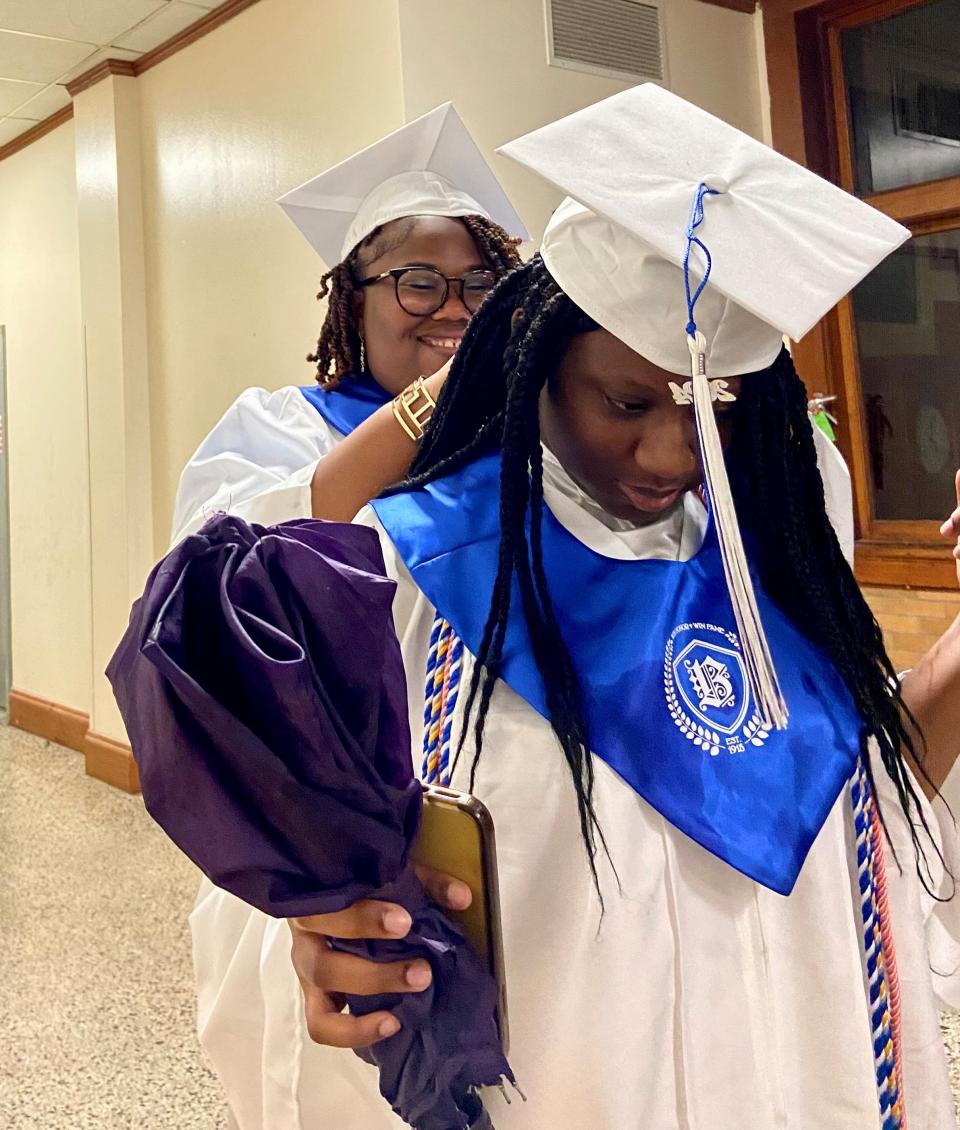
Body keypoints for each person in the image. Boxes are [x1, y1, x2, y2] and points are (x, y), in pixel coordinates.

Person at [153, 87, 960, 1129]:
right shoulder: (419, 565)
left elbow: (881, 814)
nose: (671, 453)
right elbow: (297, 845)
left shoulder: (772, 563)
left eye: (708, 408)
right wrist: (318, 927)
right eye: (627, 399)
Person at [169, 103, 525, 543]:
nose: (455, 309)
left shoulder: (528, 430)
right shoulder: (282, 426)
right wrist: (432, 402)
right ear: (355, 305)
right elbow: (223, 569)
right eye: (418, 284)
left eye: (480, 285)